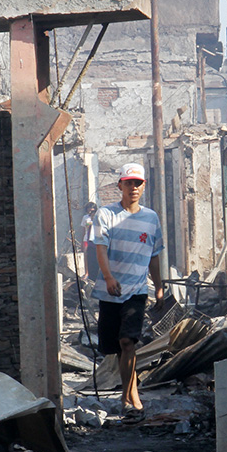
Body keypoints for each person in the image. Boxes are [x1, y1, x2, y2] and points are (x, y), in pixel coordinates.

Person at [93, 163, 164, 418]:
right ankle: (132, 394)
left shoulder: (151, 218)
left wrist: (159, 287)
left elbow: (154, 255)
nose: (134, 187)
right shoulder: (105, 214)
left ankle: (127, 397)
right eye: (129, 182)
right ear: (120, 185)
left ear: (143, 186)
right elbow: (100, 248)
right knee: (113, 347)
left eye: (138, 183)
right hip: (109, 290)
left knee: (128, 342)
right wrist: (109, 277)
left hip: (136, 289)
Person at [80, 201, 100, 280]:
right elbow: (83, 229)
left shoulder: (97, 217)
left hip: (94, 240)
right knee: (86, 255)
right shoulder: (85, 217)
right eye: (89, 209)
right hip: (86, 238)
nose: (90, 211)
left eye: (92, 210)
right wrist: (82, 241)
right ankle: (86, 272)